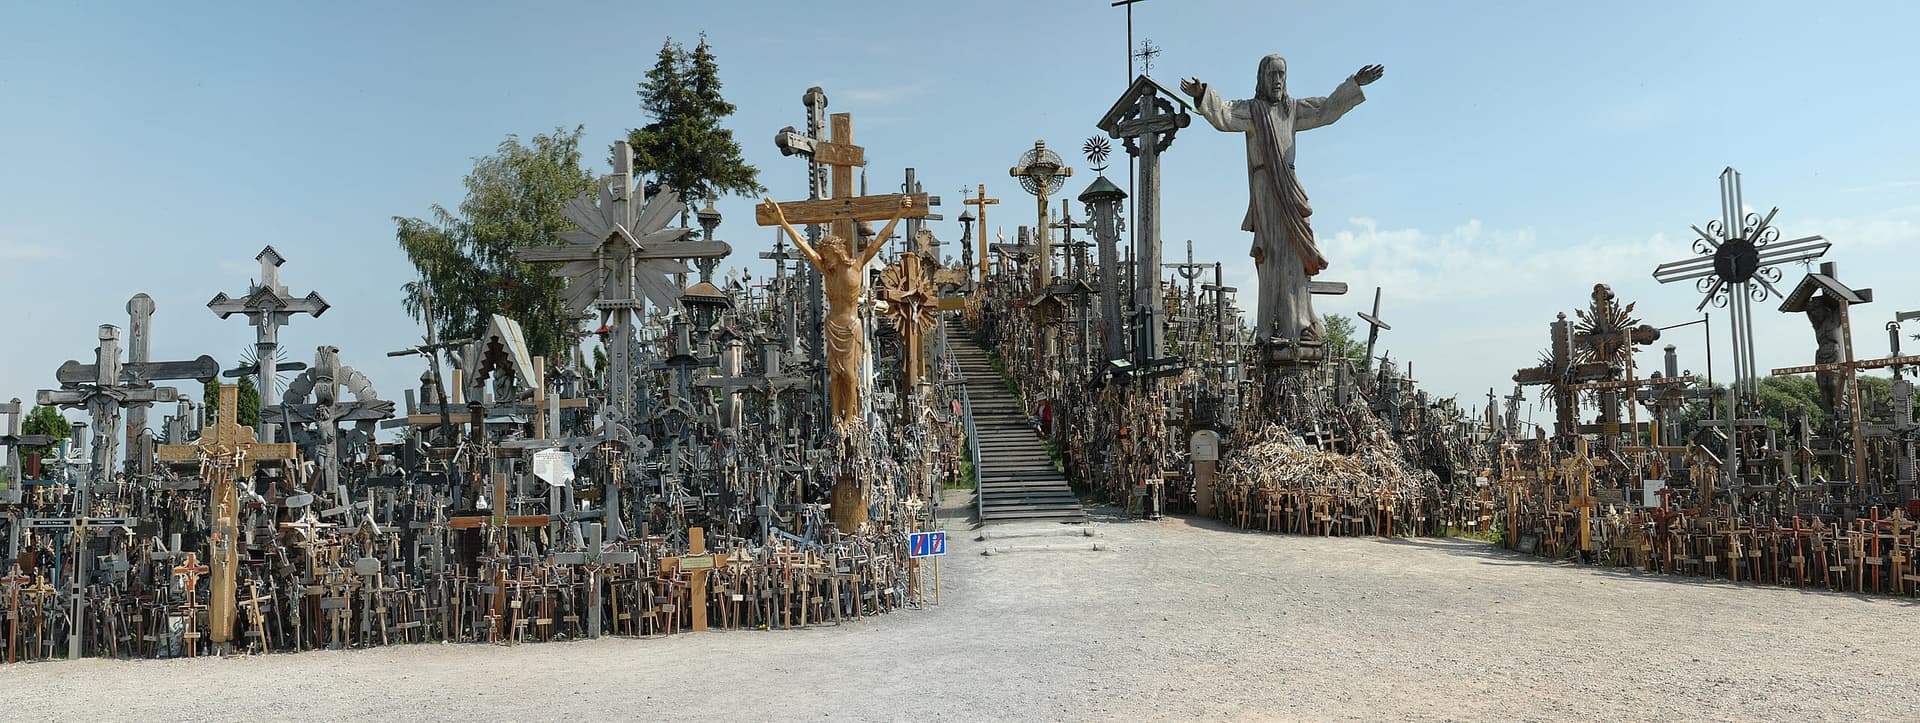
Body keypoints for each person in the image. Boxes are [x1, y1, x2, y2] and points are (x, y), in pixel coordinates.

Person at [1182, 56, 1383, 346]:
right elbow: (1224, 115)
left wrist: (1354, 84)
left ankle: (1298, 321)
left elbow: (1326, 109)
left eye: (1281, 74)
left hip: (1289, 187)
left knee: (1296, 256)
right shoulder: (1253, 111)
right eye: (1271, 74)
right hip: (1266, 189)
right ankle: (1269, 325)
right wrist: (1203, 94)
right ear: (1261, 78)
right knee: (1274, 254)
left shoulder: (1293, 109)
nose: (1277, 80)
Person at [763, 196, 914, 427]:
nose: (824, 259)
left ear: (837, 252)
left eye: (827, 255)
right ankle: (835, 416)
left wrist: (899, 214)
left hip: (851, 326)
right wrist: (782, 220)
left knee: (850, 375)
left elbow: (880, 239)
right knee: (835, 376)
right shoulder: (827, 271)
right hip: (833, 326)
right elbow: (802, 244)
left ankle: (850, 417)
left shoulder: (857, 265)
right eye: (823, 256)